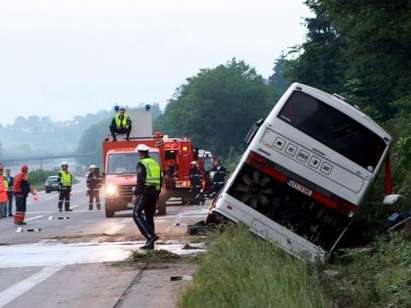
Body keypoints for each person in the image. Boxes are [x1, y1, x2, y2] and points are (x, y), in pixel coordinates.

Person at [133, 144, 161, 249]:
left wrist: (136, 194)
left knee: (136, 214)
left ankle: (151, 236)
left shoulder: (142, 163)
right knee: (149, 217)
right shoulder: (155, 163)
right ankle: (151, 244)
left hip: (145, 191)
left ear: (140, 153)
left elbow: (140, 180)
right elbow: (160, 180)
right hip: (154, 192)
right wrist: (157, 196)